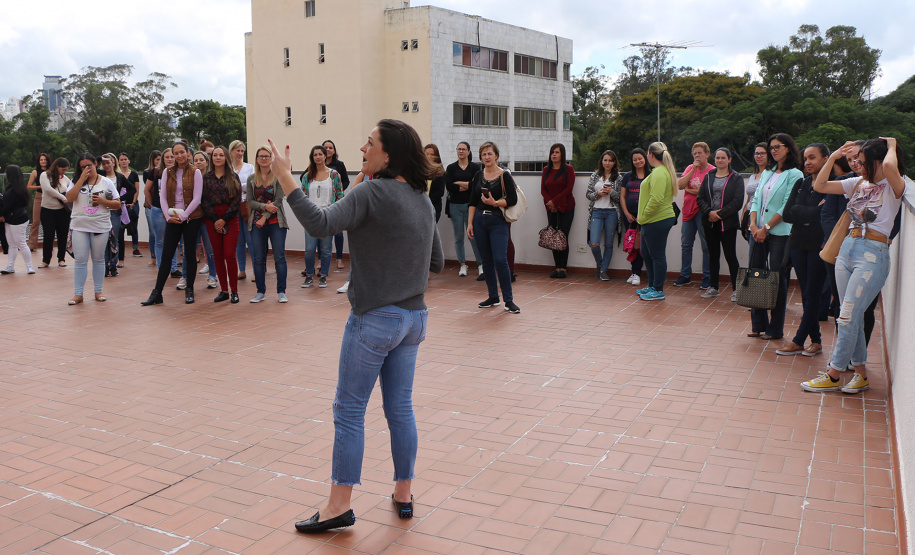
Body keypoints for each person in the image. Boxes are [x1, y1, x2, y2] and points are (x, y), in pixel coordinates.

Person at [269, 119, 443, 533]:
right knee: (400, 408)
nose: (363, 149)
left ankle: (338, 507)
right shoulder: (421, 198)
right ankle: (404, 493)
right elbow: (436, 262)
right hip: (414, 319)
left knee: (349, 411)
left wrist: (286, 178)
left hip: (376, 319)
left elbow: (319, 224)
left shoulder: (370, 192)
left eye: (370, 142)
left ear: (388, 154)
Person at [802, 138, 908, 394]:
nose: (858, 166)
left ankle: (834, 374)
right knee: (851, 315)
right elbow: (820, 185)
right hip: (847, 250)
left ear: (878, 162)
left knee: (847, 315)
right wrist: (833, 156)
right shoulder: (858, 182)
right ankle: (860, 374)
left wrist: (891, 146)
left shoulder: (894, 184)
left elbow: (890, 167)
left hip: (872, 255)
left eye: (864, 162)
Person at [747, 133, 803, 340]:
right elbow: (756, 200)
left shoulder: (795, 174)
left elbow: (787, 205)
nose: (773, 150)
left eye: (777, 146)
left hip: (779, 233)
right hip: (757, 231)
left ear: (788, 148)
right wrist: (754, 225)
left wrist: (767, 228)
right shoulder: (768, 172)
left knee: (776, 279)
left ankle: (775, 329)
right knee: (755, 276)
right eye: (771, 147)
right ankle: (758, 324)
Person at [777, 143, 830, 356]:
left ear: (826, 159)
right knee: (807, 292)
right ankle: (816, 341)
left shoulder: (833, 184)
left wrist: (802, 212)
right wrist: (812, 211)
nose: (807, 162)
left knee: (812, 293)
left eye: (813, 157)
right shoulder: (802, 183)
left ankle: (799, 340)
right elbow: (788, 214)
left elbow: (825, 215)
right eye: (806, 158)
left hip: (819, 245)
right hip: (798, 244)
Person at [141, 141, 204, 305]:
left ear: (187, 153)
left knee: (189, 255)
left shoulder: (196, 172)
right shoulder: (167, 172)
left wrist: (184, 216)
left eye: (182, 152)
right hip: (172, 218)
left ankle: (189, 290)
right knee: (167, 255)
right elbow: (162, 197)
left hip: (191, 218)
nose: (179, 155)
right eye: (176, 153)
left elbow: (197, 198)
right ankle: (157, 293)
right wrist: (168, 217)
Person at [467, 142, 520, 313]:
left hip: (498, 221)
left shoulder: (504, 175)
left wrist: (495, 202)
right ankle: (493, 297)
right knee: (486, 260)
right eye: (484, 154)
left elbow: (512, 199)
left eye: (490, 153)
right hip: (479, 221)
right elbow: (472, 202)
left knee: (500, 259)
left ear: (496, 155)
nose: (487, 157)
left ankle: (509, 300)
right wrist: (470, 223)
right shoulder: (478, 175)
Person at [63, 154, 121, 303]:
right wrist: (81, 179)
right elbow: (69, 198)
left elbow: (117, 204)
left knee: (98, 258)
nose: (86, 169)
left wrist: (103, 201)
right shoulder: (75, 181)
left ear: (95, 163)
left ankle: (98, 292)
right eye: (83, 167)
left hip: (100, 226)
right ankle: (78, 294)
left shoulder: (106, 182)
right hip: (79, 225)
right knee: (80, 259)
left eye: (89, 165)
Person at [696, 148, 744, 300]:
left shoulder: (736, 178)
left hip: (727, 223)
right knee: (713, 255)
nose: (720, 160)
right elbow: (700, 198)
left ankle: (737, 290)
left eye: (723, 157)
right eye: (717, 158)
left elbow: (738, 201)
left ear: (729, 159)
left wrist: (720, 214)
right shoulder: (709, 176)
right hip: (709, 222)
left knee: (730, 255)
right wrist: (709, 212)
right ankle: (713, 287)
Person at [634, 142, 677, 301]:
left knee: (657, 255)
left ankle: (658, 290)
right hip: (651, 220)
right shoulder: (659, 171)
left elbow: (656, 200)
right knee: (647, 253)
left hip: (657, 220)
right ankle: (652, 285)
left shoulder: (659, 172)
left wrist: (643, 216)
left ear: (651, 155)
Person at [249, 145, 290, 302]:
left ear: (272, 158)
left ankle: (281, 292)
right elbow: (250, 201)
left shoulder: (277, 176)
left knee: (279, 257)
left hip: (276, 223)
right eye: (261, 156)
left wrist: (264, 216)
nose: (264, 158)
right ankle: (260, 292)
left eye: (267, 156)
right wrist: (264, 207)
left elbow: (278, 200)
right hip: (256, 224)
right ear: (257, 159)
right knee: (259, 258)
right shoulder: (251, 178)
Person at [299, 145, 343, 289]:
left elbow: (339, 195)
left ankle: (323, 275)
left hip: (327, 216)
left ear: (325, 156)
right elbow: (303, 198)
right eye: (315, 155)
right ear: (312, 158)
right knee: (309, 249)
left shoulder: (334, 175)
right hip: (311, 218)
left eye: (320, 154)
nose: (318, 157)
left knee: (325, 249)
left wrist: (334, 214)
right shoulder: (307, 176)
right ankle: (309, 276)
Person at [202, 146, 242, 303]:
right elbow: (204, 200)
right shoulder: (206, 177)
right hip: (212, 218)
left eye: (221, 155)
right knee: (217, 255)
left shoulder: (233, 176)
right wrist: (215, 220)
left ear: (226, 157)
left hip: (230, 218)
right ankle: (224, 290)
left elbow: (237, 200)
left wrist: (224, 219)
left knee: (230, 255)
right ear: (211, 158)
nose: (217, 157)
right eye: (215, 155)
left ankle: (234, 291)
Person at [674, 142, 713, 288]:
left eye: (699, 153)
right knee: (686, 244)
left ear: (707, 154)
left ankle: (707, 277)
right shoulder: (690, 168)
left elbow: (707, 192)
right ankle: (685, 276)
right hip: (688, 211)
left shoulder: (712, 171)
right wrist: (692, 170)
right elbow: (680, 186)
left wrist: (689, 190)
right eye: (695, 153)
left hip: (703, 212)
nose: (697, 156)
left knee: (706, 246)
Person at [445, 141, 483, 279]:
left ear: (469, 151)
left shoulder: (475, 168)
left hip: (470, 206)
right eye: (459, 149)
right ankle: (462, 265)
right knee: (458, 237)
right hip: (455, 206)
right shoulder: (451, 168)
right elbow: (449, 186)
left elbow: (476, 185)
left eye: (463, 149)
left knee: (473, 236)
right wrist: (468, 185)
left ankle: (481, 264)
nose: (461, 151)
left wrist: (459, 183)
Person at [585, 150, 624, 281]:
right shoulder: (594, 176)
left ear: (614, 162)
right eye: (605, 160)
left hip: (612, 212)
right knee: (594, 242)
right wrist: (598, 194)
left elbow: (620, 198)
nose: (607, 163)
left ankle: (603, 270)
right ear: (601, 161)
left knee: (608, 243)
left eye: (610, 160)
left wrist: (611, 191)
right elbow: (588, 195)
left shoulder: (618, 177)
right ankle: (600, 264)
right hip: (596, 211)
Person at [541, 143, 575, 278]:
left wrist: (554, 201)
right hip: (551, 208)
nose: (554, 155)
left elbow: (569, 189)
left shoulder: (568, 169)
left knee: (562, 236)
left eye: (557, 152)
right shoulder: (546, 170)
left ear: (562, 154)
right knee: (553, 235)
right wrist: (551, 203)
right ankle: (557, 267)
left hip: (566, 207)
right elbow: (543, 190)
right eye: (552, 152)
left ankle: (563, 268)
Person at [188, 151, 218, 291]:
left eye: (201, 160)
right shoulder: (190, 177)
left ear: (207, 162)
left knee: (210, 248)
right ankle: (186, 277)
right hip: (193, 217)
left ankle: (213, 275)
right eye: (196, 160)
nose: (198, 162)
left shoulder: (211, 178)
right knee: (190, 247)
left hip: (207, 217)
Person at [99, 153, 133, 277]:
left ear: (113, 163)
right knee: (103, 239)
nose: (106, 165)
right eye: (103, 163)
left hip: (114, 212)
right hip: (101, 211)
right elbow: (91, 163)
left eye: (108, 162)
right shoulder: (99, 175)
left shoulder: (120, 177)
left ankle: (113, 266)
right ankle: (105, 266)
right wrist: (100, 158)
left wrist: (120, 199)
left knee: (114, 239)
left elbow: (132, 189)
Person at [620, 149, 648, 285]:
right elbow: (622, 196)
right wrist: (626, 213)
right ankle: (634, 272)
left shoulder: (651, 175)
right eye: (635, 159)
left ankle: (637, 273)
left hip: (646, 217)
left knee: (641, 245)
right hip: (629, 217)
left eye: (640, 158)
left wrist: (643, 215)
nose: (638, 161)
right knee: (632, 244)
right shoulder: (627, 176)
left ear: (645, 159)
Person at [0, 165, 35, 275]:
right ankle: (10, 266)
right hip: (11, 219)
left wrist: (1, 213)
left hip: (17, 219)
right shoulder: (16, 188)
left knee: (20, 243)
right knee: (12, 244)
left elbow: (9, 205)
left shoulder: (14, 190)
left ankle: (29, 266)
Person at [38, 157, 72, 268]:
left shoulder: (65, 179)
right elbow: (47, 189)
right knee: (48, 235)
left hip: (62, 211)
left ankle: (61, 259)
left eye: (66, 170)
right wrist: (62, 197)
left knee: (62, 235)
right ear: (57, 167)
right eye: (63, 169)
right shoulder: (45, 175)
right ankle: (46, 260)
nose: (64, 172)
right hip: (47, 210)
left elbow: (71, 189)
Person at [230, 140, 255, 280]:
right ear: (231, 151)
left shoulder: (249, 167)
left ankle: (256, 270)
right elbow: (227, 186)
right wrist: (241, 186)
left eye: (242, 151)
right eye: (237, 150)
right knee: (238, 241)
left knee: (251, 239)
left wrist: (237, 186)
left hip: (246, 206)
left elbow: (252, 185)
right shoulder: (228, 168)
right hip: (233, 207)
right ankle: (242, 270)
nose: (239, 153)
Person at [322, 140, 350, 269]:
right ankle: (320, 259)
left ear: (334, 150)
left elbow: (346, 181)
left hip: (337, 202)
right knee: (321, 231)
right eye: (325, 147)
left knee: (338, 232)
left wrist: (337, 191)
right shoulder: (317, 164)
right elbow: (304, 177)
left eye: (330, 147)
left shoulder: (339, 165)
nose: (328, 150)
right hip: (322, 202)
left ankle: (339, 258)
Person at [743, 143, 770, 243]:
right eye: (757, 153)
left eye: (762, 153)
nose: (759, 156)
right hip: (750, 216)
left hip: (763, 217)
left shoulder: (772, 175)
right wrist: (744, 216)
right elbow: (749, 198)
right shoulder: (752, 176)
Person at [117, 153, 142, 257]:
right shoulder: (117, 174)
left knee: (133, 227)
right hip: (120, 205)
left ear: (129, 161)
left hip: (132, 204)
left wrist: (133, 203)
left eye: (125, 159)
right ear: (118, 162)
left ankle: (135, 248)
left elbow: (136, 190)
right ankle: (119, 249)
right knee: (120, 228)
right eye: (121, 159)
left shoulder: (134, 174)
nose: (124, 161)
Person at [26, 153, 51, 251]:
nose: (43, 161)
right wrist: (41, 186)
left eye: (45, 159)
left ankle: (48, 245)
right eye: (41, 160)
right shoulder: (35, 172)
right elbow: (29, 186)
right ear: (38, 161)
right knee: (36, 221)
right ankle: (31, 245)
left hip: (50, 197)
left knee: (49, 222)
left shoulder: (51, 171)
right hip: (39, 196)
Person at [142, 150, 162, 267]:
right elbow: (147, 189)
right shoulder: (148, 172)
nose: (159, 161)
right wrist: (151, 204)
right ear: (153, 161)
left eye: (160, 159)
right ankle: (153, 256)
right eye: (157, 159)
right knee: (153, 233)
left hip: (162, 206)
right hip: (151, 205)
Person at [424, 144, 446, 222]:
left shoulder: (440, 171)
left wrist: (427, 200)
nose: (429, 156)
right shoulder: (419, 170)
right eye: (427, 154)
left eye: (432, 154)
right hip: (419, 206)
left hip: (433, 207)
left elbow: (440, 192)